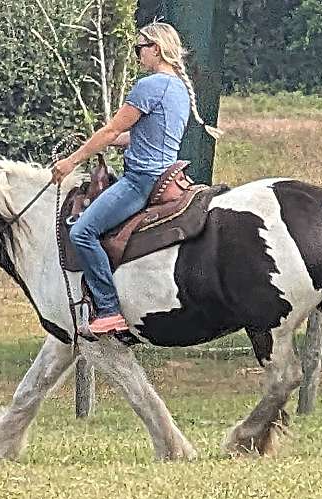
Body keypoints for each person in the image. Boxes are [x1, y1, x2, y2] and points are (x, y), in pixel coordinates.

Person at [51, 21, 222, 335]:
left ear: (155, 49)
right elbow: (143, 136)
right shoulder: (181, 89)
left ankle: (108, 308)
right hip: (167, 174)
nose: (137, 55)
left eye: (139, 48)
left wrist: (71, 160)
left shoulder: (150, 86)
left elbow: (112, 129)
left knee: (83, 232)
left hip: (141, 181)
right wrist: (107, 141)